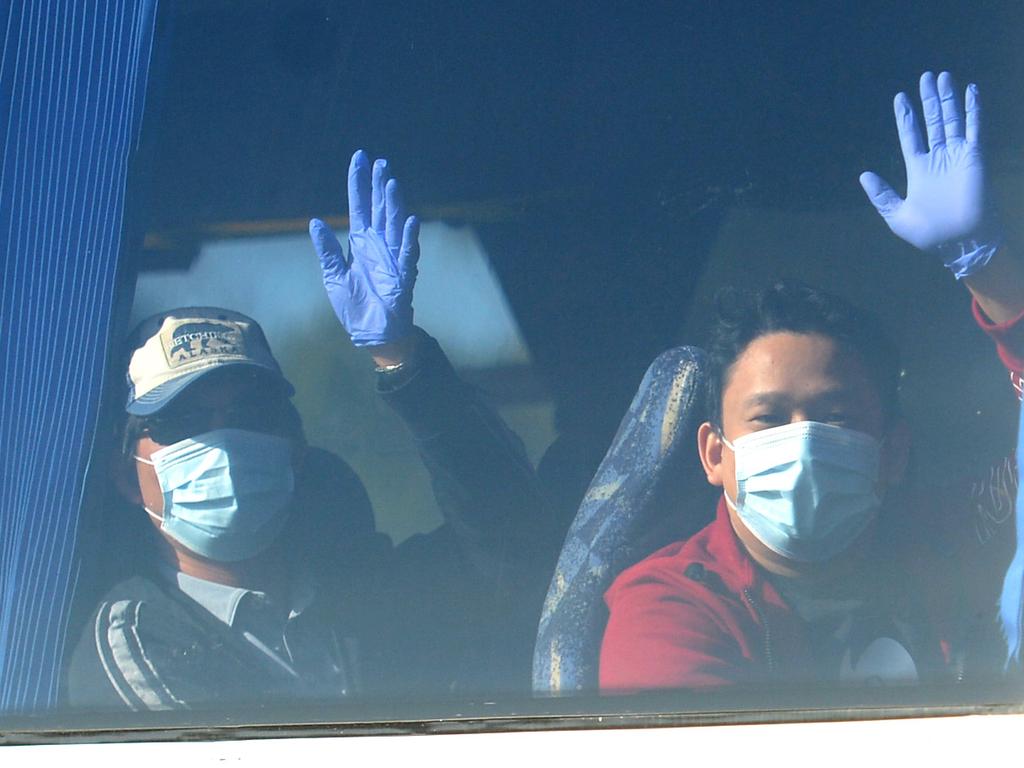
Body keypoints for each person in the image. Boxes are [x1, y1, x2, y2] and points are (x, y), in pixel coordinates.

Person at [65, 153, 557, 709]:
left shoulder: (366, 595)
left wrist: (404, 363)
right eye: (182, 422)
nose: (222, 442)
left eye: (251, 414)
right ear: (126, 477)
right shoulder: (136, 645)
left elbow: (521, 546)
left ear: (296, 453)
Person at [599, 71, 1024, 690]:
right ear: (715, 454)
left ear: (894, 450)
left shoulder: (961, 538)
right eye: (769, 418)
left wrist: (995, 279)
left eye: (838, 417)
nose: (804, 443)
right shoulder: (668, 608)